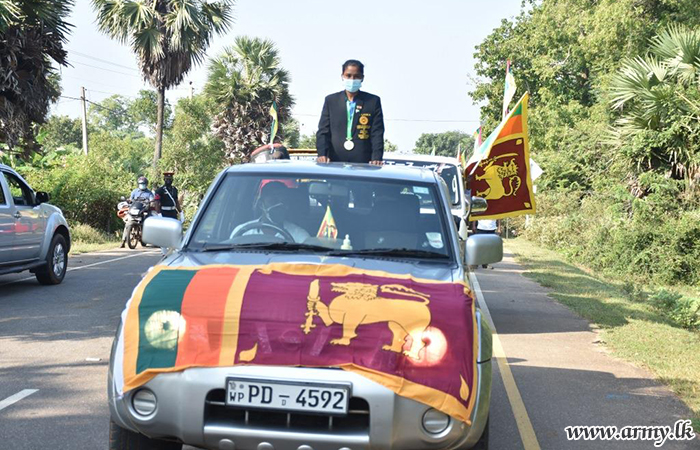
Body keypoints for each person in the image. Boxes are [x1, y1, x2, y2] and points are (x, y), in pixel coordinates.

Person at [316, 59, 384, 165]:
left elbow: (377, 132)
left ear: (362, 78)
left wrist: (377, 156)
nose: (352, 79)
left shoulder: (372, 101)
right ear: (342, 76)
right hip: (334, 161)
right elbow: (323, 131)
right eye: (348, 75)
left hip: (363, 162)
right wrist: (322, 154)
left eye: (356, 76)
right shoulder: (331, 100)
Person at [231, 181, 310, 243]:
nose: (279, 205)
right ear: (261, 204)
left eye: (283, 201)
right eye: (273, 201)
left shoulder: (299, 236)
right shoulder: (243, 232)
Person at [121, 176, 155, 248]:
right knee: (127, 223)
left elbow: (152, 200)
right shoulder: (135, 191)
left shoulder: (149, 193)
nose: (142, 185)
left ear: (146, 184)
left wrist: (151, 203)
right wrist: (129, 200)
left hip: (144, 210)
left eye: (143, 184)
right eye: (141, 184)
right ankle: (123, 240)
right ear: (138, 184)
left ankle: (150, 238)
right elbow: (131, 199)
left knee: (149, 221)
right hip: (135, 209)